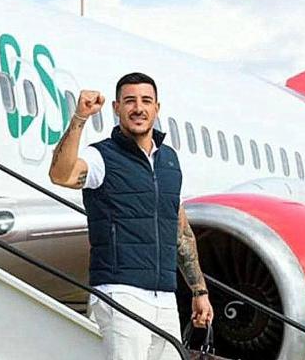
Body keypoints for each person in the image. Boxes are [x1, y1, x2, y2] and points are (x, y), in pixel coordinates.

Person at [49, 72, 214, 360]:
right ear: (116, 108)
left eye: (146, 101)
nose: (138, 108)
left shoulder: (169, 161)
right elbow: (60, 174)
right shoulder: (102, 157)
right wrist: (79, 119)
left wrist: (199, 291)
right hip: (120, 292)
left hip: (164, 297)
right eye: (130, 101)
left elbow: (180, 230)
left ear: (157, 108)